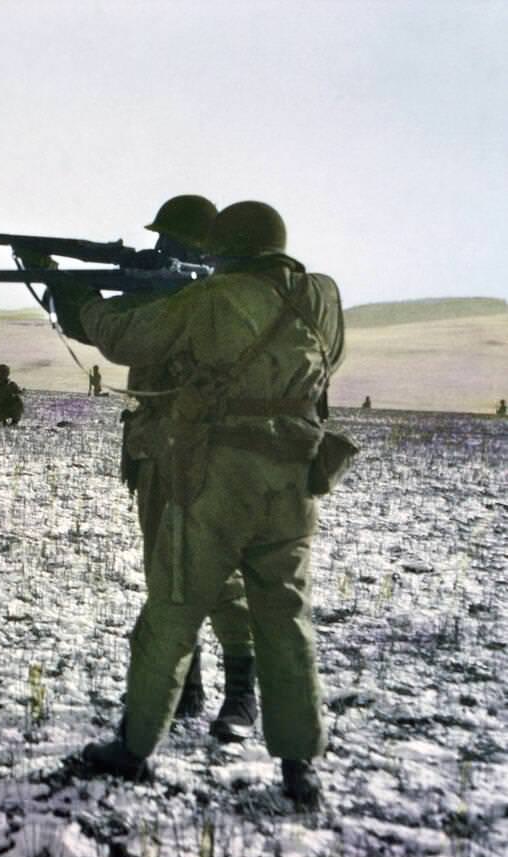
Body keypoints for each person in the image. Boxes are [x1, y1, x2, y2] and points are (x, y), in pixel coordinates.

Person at [66, 200, 346, 811]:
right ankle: (300, 769)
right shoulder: (322, 294)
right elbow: (328, 363)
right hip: (296, 476)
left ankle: (134, 748)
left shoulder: (212, 298)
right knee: (286, 617)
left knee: (171, 608)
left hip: (221, 475)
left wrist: (81, 303)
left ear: (225, 249)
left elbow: (124, 337)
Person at [52, 195, 258, 742]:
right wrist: (56, 281)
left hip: (210, 448)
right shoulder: (171, 290)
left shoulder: (223, 298)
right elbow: (102, 329)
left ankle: (242, 692)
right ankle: (185, 686)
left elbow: (125, 334)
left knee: (220, 578)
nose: (161, 248)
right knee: (162, 571)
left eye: (172, 241)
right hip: (154, 445)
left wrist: (100, 297)